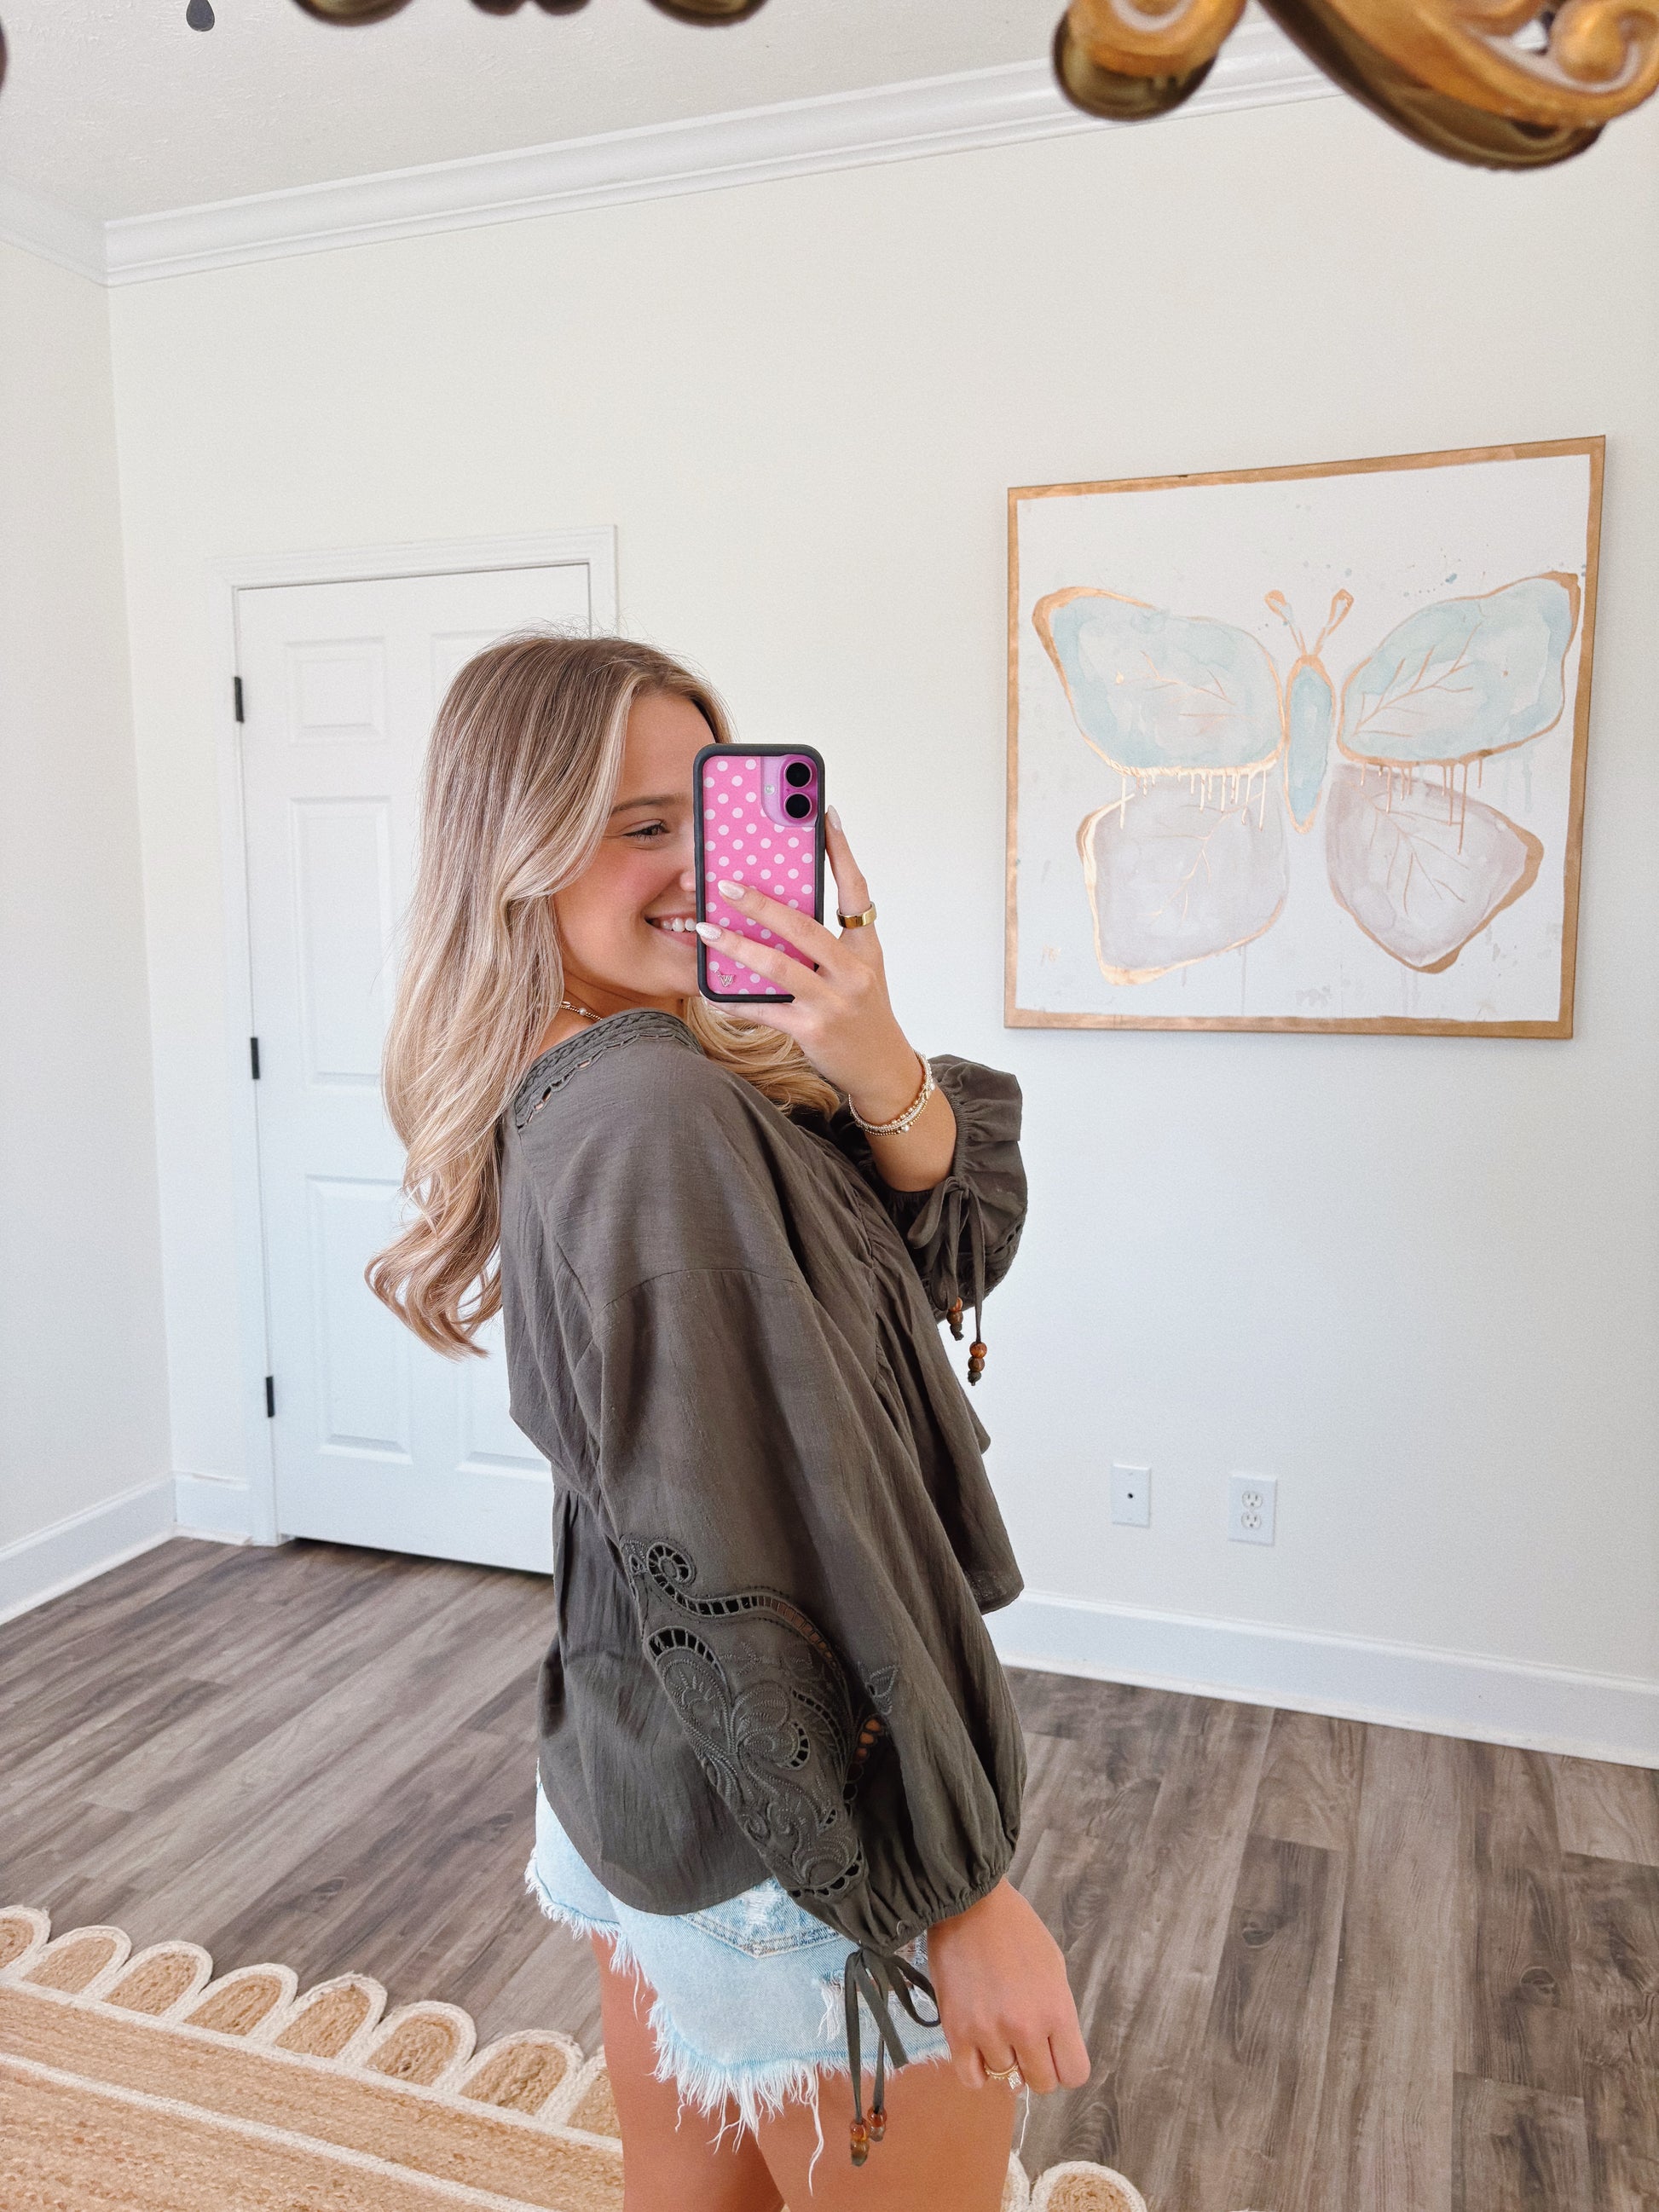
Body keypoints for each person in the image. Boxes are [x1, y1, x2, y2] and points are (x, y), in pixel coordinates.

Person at [368, 632, 1089, 2211]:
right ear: (516, 851)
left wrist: (875, 1061)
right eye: (640, 826)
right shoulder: (655, 1113)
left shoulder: (648, 1074)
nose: (698, 862)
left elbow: (942, 1247)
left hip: (652, 1771)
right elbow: (773, 1534)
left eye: (711, 807)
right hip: (802, 1847)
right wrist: (954, 1891)